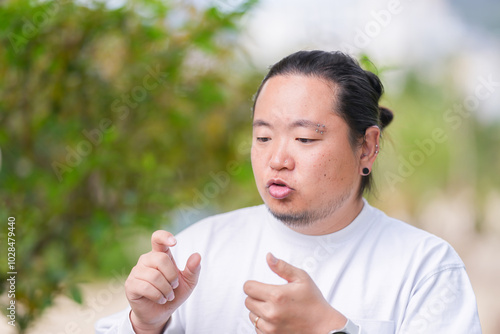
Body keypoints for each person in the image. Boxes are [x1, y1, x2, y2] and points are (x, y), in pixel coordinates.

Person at [95, 50, 482, 334]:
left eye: (304, 138)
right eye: (263, 136)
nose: (277, 158)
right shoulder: (196, 253)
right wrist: (146, 323)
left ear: (366, 147)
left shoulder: (426, 268)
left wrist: (330, 328)